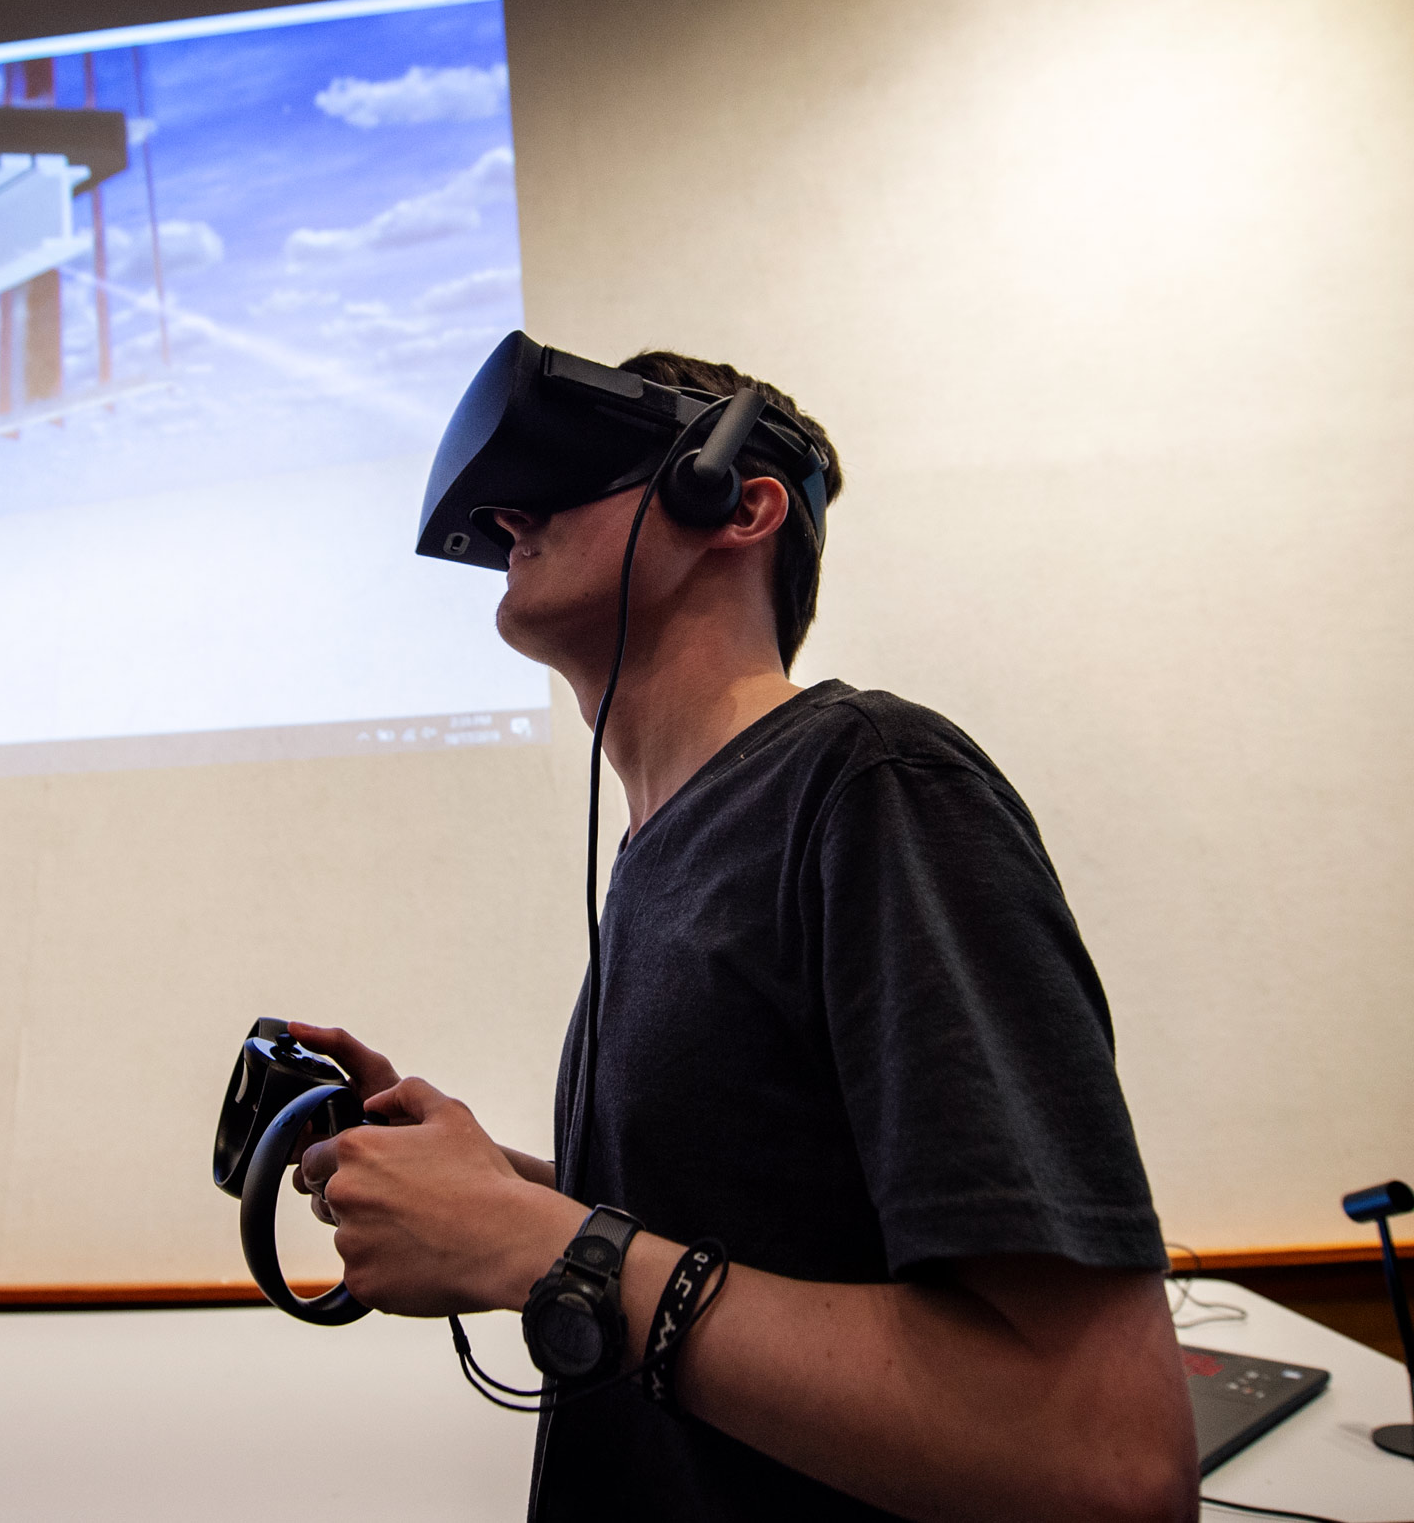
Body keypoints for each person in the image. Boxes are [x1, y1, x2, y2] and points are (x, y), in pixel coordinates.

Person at [289, 350, 1198, 1522]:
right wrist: (492, 1189)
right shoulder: (660, 855)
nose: (508, 511)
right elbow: (778, 1235)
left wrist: (537, 1246)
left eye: (566, 471)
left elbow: (1105, 1456)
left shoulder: (872, 784)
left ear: (737, 500)